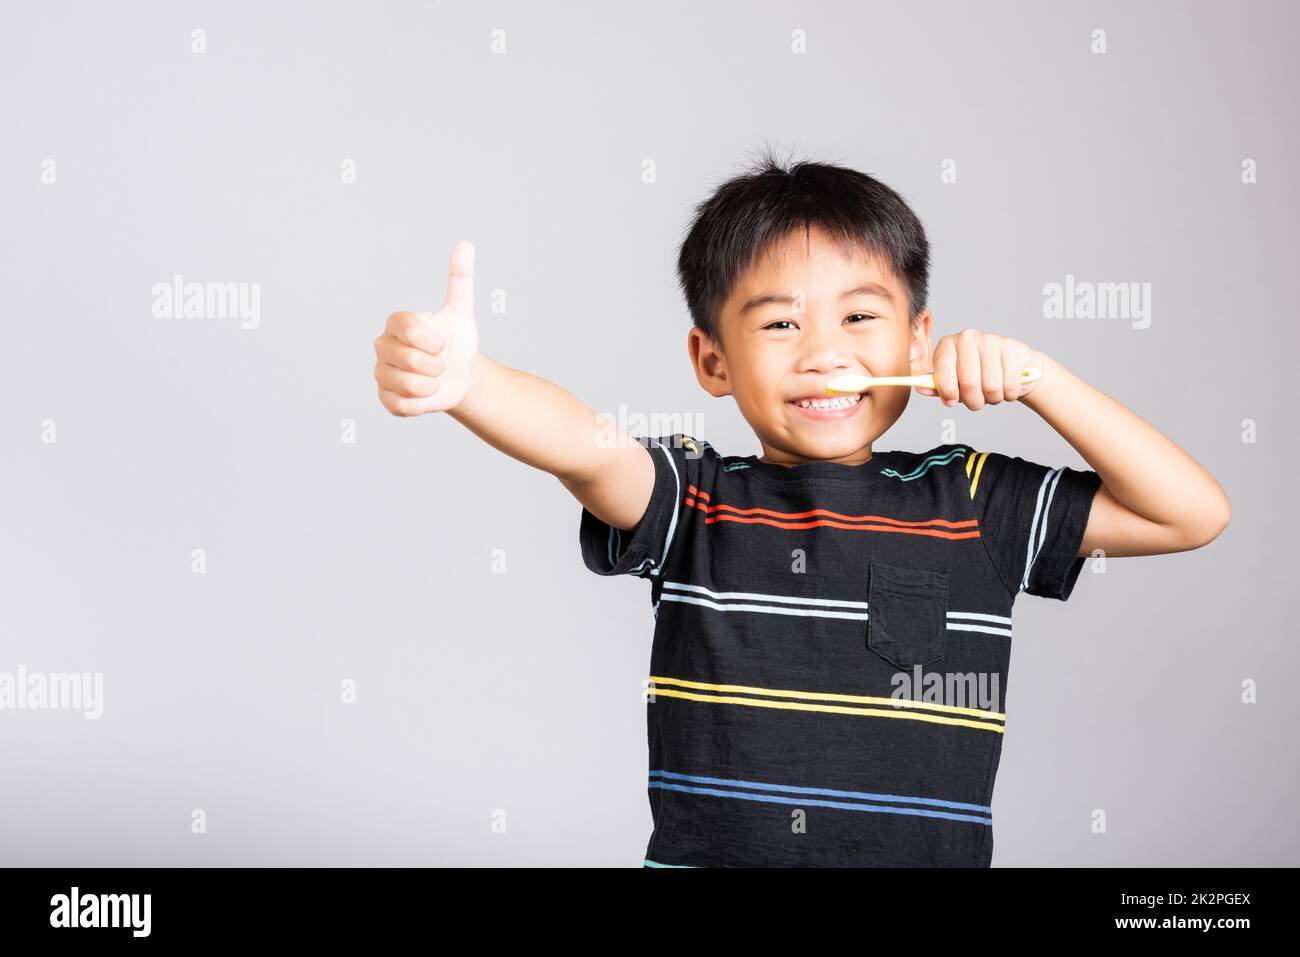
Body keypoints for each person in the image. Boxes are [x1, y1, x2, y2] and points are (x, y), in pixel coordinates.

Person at [372, 151, 1231, 867]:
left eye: (861, 315)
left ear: (917, 341)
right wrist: (470, 384)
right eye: (780, 326)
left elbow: (1188, 514)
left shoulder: (975, 498)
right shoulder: (694, 499)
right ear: (711, 361)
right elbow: (585, 445)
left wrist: (1045, 383)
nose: (826, 354)